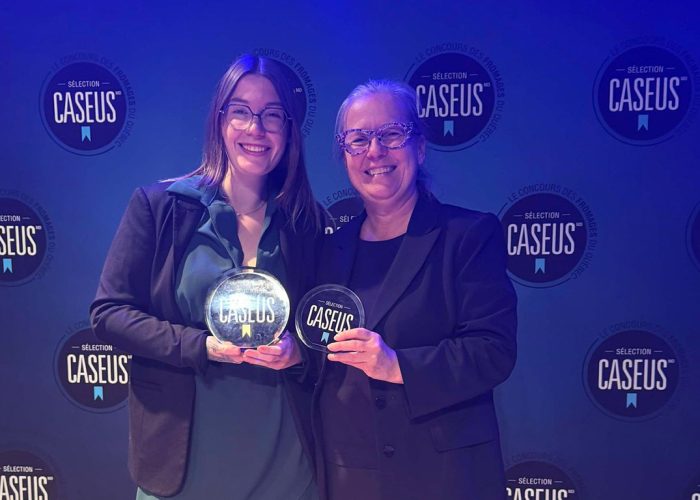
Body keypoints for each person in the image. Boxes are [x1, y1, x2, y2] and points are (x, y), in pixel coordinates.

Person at [90, 54, 320, 499]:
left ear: (290, 130)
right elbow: (109, 313)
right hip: (182, 466)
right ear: (219, 121)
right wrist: (203, 346)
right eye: (241, 112)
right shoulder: (161, 208)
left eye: (273, 115)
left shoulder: (309, 224)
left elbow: (326, 336)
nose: (256, 128)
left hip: (288, 467)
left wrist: (299, 354)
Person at [312, 80, 517, 500]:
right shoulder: (328, 248)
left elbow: (493, 351)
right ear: (344, 153)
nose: (375, 151)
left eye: (391, 134)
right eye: (358, 139)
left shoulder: (468, 235)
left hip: (444, 477)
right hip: (349, 476)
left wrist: (397, 364)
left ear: (419, 147)